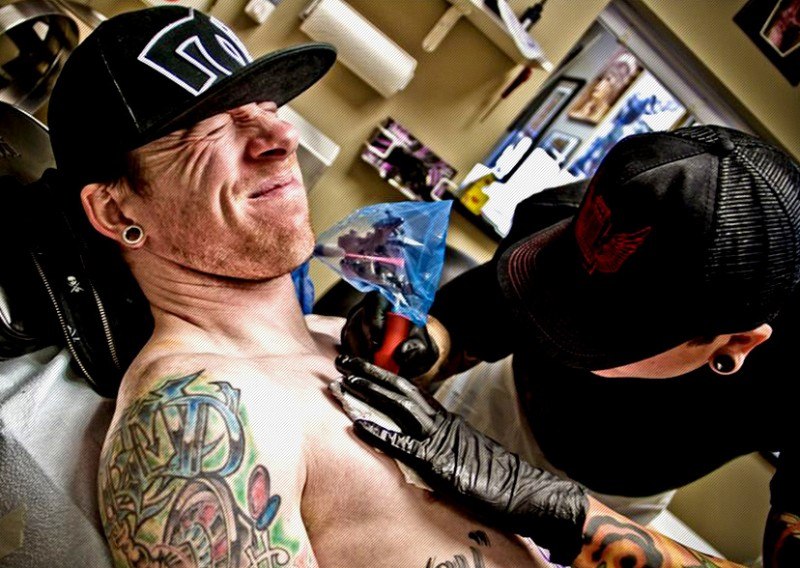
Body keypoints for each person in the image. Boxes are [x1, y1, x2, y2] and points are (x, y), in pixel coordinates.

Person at [45, 6, 554, 567]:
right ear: (117, 211)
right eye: (209, 126)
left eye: (267, 108)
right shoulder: (196, 421)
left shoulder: (344, 341)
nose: (283, 135)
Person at [341, 125, 800, 567]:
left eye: (601, 329)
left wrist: (564, 514)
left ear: (739, 342)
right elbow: (469, 322)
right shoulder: (609, 208)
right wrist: (423, 345)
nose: (559, 329)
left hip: (613, 505)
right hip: (501, 401)